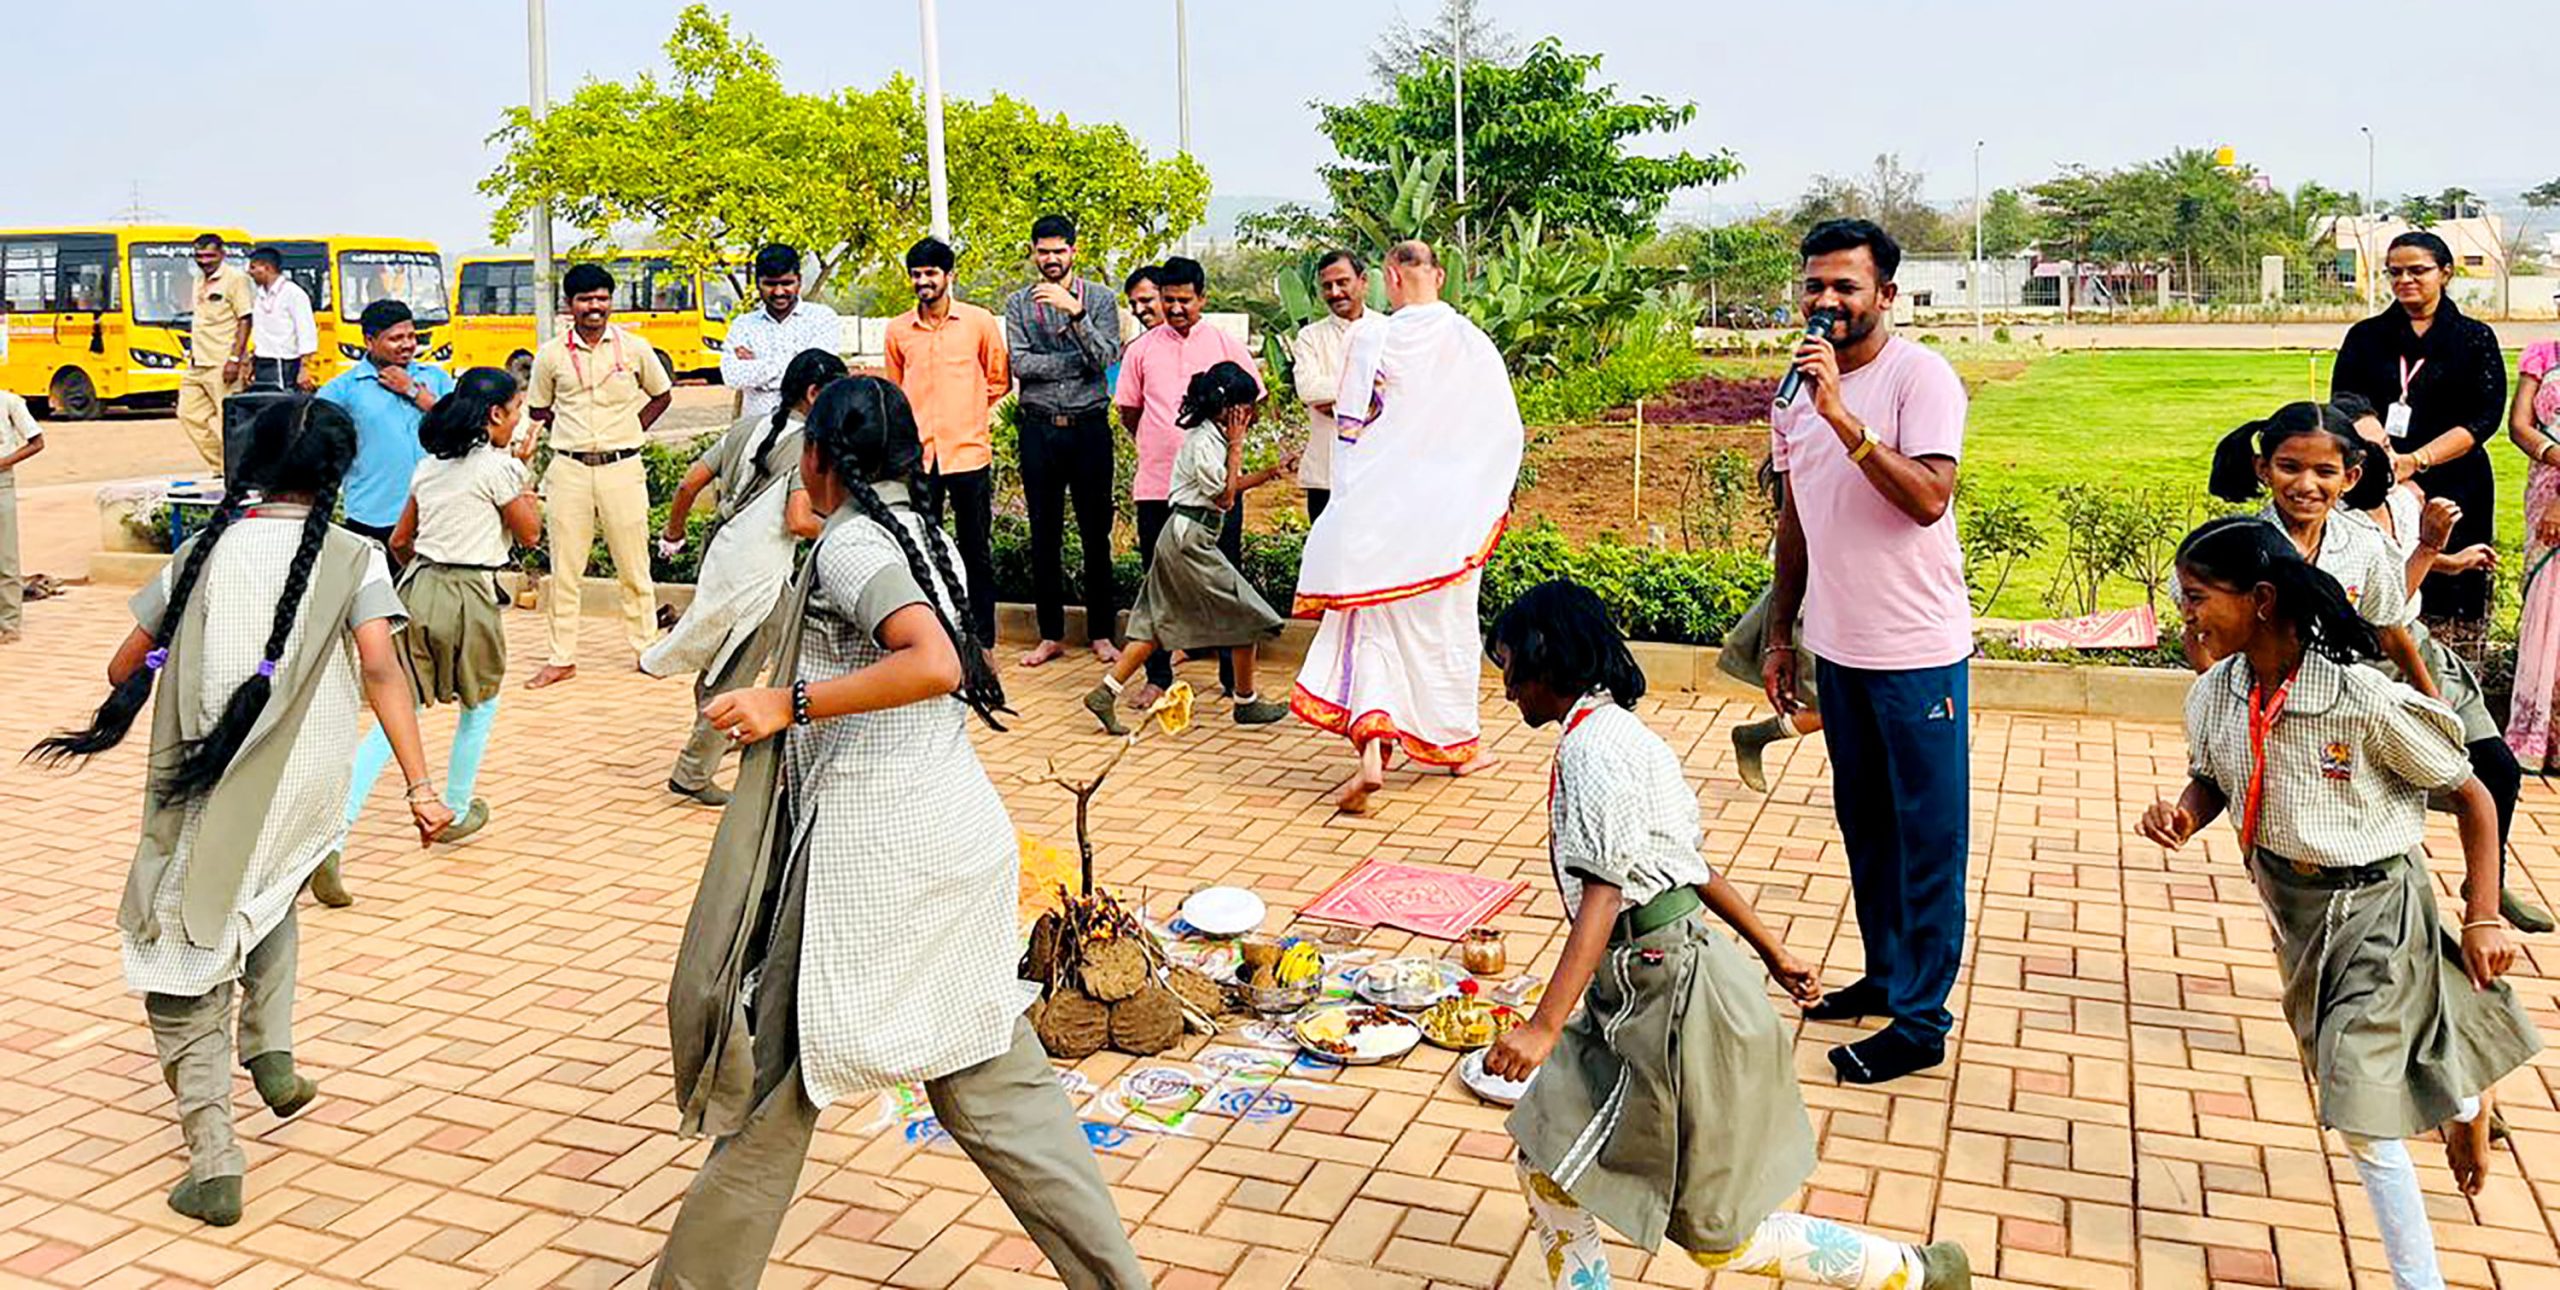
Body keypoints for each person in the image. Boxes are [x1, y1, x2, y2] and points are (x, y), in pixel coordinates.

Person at [657, 376, 1147, 1290]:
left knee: (771, 1095)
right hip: (950, 836)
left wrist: (784, 702)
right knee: (994, 1084)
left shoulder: (852, 546)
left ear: (818, 457)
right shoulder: (918, 531)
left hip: (872, 855)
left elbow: (932, 661)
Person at [27, 396, 450, 1227]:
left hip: (213, 783)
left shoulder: (202, 553)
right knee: (270, 890)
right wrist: (419, 786)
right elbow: (382, 670)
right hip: (307, 787)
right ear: (336, 473)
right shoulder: (354, 558)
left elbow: (125, 666)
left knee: (179, 959)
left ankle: (215, 1160)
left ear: (251, 463)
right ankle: (273, 1052)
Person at [1484, 580, 1972, 1290]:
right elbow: (1688, 868)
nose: (1505, 692)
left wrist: (1542, 1026)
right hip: (1653, 982)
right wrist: (1774, 950)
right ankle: (1915, 1272)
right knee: (1549, 1161)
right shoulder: (1623, 732)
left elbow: (1605, 890)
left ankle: (1914, 1272)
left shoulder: (1593, 751)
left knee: (1714, 1236)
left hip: (1666, 1000)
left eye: (1509, 668)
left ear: (1545, 658)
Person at [2139, 516, 2540, 1290]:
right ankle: (2464, 1098)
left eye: (2195, 598)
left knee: (2357, 1113)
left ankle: (2415, 1280)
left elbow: (2474, 796)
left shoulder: (2358, 697)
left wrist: (2483, 915)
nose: (2183, 615)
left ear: (2260, 599)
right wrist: (2185, 814)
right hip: (2294, 915)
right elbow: (2216, 777)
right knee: (2356, 1069)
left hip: (2377, 905)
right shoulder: (2219, 691)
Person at [2205, 406, 2550, 934]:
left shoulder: (2364, 538)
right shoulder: (2241, 546)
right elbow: (2207, 632)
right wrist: (2218, 691)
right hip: (2315, 704)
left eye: (2324, 472)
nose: (2305, 485)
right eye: (2289, 467)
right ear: (2262, 469)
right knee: (2339, 816)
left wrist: (2434, 705)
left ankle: (2484, 894)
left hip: (2392, 680)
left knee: (2489, 773)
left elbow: (2392, 630)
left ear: (2353, 474)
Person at [1764, 219, 1971, 1086]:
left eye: (1846, 287)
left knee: (1927, 839)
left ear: (1886, 295)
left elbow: (1928, 497)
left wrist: (1844, 419)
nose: (1826, 302)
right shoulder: (1788, 397)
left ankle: (1921, 1018)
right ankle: (1887, 976)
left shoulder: (1919, 377)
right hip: (1841, 649)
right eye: (1814, 285)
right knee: (1869, 829)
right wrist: (1782, 630)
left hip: (1917, 650)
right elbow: (1796, 516)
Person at [1289, 241, 1518, 810]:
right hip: (1445, 524)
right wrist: (1482, 497)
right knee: (1446, 632)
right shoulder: (1470, 341)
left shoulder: (1372, 337)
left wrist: (1351, 501)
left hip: (1378, 516)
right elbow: (1504, 430)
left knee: (1370, 631)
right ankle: (1459, 749)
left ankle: (1371, 756)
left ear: (1390, 277)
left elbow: (1349, 426)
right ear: (1439, 276)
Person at [324, 369, 544, 905]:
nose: (519, 419)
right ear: (496, 417)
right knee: (480, 705)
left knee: (399, 714)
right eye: (515, 409)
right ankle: (457, 808)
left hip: (419, 585)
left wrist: (422, 574)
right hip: (472, 593)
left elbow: (401, 539)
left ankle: (333, 837)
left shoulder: (428, 467)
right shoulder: (498, 469)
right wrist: (521, 469)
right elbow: (531, 533)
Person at [651, 348, 843, 807]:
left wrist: (674, 531)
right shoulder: (806, 447)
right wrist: (846, 527)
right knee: (737, 666)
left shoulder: (745, 428)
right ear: (814, 394)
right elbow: (799, 520)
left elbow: (687, 484)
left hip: (723, 556)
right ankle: (694, 770)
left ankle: (725, 727)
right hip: (761, 570)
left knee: (727, 655)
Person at [1083, 362, 1295, 731]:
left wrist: (1271, 472)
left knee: (1153, 625)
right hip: (1189, 540)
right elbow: (1226, 497)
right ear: (1229, 408)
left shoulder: (1211, 437)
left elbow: (1229, 486)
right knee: (1249, 616)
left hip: (1184, 535)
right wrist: (1238, 446)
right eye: (1247, 406)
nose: (1251, 414)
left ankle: (1105, 693)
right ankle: (1245, 702)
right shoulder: (1204, 442)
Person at [2330, 231, 2507, 647]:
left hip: (2458, 478)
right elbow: (2345, 399)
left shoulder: (2474, 338)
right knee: (2385, 584)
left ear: (2445, 273)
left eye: (2418, 270)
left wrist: (2418, 461)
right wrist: (2385, 457)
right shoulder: (2366, 336)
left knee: (2457, 590)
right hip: (2381, 477)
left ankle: (2454, 682)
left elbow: (2484, 417)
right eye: (2395, 272)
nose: (2405, 279)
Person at [1115, 257, 1260, 705]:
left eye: (1184, 300)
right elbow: (1128, 410)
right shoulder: (1140, 350)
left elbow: (1251, 403)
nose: (1175, 308)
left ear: (1203, 298)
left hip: (1215, 494)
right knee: (1158, 584)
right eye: (1167, 299)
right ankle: (1157, 676)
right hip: (1157, 487)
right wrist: (1160, 442)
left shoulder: (1226, 344)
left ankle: (1232, 681)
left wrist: (1222, 452)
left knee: (1225, 580)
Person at [525, 262, 674, 689]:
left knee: (634, 566)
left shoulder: (634, 348)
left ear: (612, 300)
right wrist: (571, 433)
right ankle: (561, 657)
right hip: (569, 468)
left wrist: (630, 431)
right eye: (585, 299)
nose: (595, 306)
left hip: (623, 468)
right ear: (568, 305)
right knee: (566, 568)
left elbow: (662, 395)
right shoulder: (551, 354)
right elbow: (538, 409)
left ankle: (647, 650)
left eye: (602, 298)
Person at [1006, 214, 1125, 668]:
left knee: (1097, 534)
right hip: (1038, 427)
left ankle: (1100, 633)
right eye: (1044, 251)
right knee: (1045, 535)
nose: (1051, 259)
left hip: (1089, 427)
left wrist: (1075, 315)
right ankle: (1050, 633)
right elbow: (1020, 364)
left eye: (1059, 250)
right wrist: (1075, 363)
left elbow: (1105, 358)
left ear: (1075, 251)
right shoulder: (1019, 304)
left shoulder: (1098, 298)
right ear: (1033, 252)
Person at [884, 236, 1010, 657]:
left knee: (976, 552)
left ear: (948, 276)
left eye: (930, 274)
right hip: (919, 459)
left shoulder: (977, 322)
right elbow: (896, 390)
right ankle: (934, 636)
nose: (923, 282)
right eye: (916, 275)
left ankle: (983, 641)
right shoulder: (898, 330)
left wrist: (968, 412)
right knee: (921, 549)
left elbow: (998, 379)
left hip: (969, 453)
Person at [316, 299, 452, 549]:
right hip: (374, 515)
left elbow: (462, 425)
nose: (408, 345)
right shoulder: (342, 390)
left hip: (437, 513)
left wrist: (414, 392)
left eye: (412, 336)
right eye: (396, 338)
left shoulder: (436, 379)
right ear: (370, 341)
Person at [2508, 338, 2560, 773]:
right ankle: (2538, 738)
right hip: (2543, 483)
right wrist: (2554, 454)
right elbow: (2519, 424)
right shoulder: (2543, 354)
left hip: (2556, 497)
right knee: (2546, 609)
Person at [718, 244, 841, 424]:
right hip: (755, 432)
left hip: (805, 430)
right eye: (770, 284)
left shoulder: (822, 319)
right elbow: (732, 376)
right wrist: (794, 366)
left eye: (786, 283)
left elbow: (818, 375)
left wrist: (758, 369)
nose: (779, 292)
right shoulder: (742, 325)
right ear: (757, 283)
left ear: (799, 281)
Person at [1286, 250, 1367, 521]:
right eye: (1327, 286)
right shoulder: (1310, 337)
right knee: (1326, 559)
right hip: (1325, 475)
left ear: (1363, 281)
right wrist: (1365, 391)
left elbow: (1397, 393)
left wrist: (1333, 402)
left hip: (1375, 473)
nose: (1334, 292)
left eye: (1342, 282)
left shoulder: (1388, 331)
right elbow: (1308, 389)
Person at [177, 233, 254, 474]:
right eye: (199, 256)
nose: (205, 261)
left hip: (222, 363)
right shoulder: (198, 280)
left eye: (210, 255)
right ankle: (222, 465)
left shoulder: (235, 279)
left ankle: (239, 470)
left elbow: (245, 319)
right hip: (197, 361)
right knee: (188, 415)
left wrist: (235, 359)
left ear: (222, 254)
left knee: (229, 422)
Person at [0, 389, 42, 644]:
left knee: (6, 557)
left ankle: (10, 623)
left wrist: (4, 462)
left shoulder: (9, 402)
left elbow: (36, 442)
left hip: (1, 481)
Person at [246, 247, 317, 393]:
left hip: (284, 362)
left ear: (267, 268)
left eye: (253, 267)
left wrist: (304, 369)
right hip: (262, 361)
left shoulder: (293, 293)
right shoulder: (259, 295)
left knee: (281, 405)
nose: (250, 272)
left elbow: (306, 332)